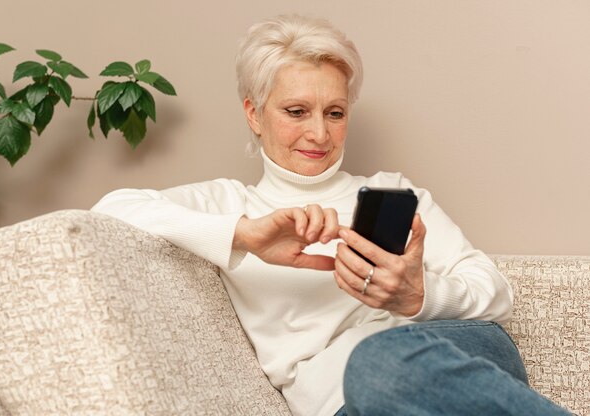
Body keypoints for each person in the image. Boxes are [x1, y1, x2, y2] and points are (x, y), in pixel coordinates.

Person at [92, 14, 572, 416]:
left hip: (457, 354)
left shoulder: (396, 192)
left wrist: (419, 297)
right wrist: (245, 235)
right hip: (350, 397)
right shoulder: (230, 203)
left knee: (412, 352)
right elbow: (108, 210)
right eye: (297, 111)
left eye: (335, 112)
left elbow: (495, 293)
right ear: (254, 114)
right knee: (377, 363)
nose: (319, 134)